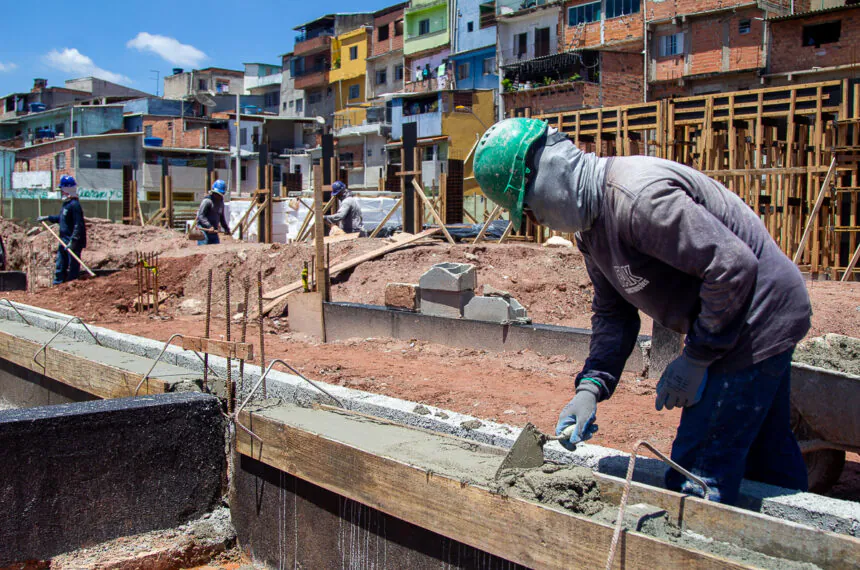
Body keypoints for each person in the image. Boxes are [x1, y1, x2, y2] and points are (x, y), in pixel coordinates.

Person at [474, 118, 812, 505]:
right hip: (738, 319)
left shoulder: (639, 199)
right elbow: (613, 314)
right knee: (767, 460)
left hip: (756, 317)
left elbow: (732, 268)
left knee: (698, 471)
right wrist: (590, 387)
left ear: (550, 174)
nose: (536, 221)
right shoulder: (591, 230)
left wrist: (697, 358)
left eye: (530, 208)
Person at [37, 175, 87, 285]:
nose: (61, 192)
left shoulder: (74, 205)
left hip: (72, 241)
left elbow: (78, 225)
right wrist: (47, 218)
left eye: (62, 190)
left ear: (67, 190)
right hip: (63, 240)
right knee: (61, 263)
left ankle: (72, 284)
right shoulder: (66, 205)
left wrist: (73, 241)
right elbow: (61, 219)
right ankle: (58, 284)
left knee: (73, 264)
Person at [196, 179, 230, 245]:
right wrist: (209, 226)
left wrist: (226, 228)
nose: (217, 196)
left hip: (213, 230)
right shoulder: (207, 201)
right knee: (204, 249)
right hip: (204, 230)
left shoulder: (220, 203)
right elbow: (201, 216)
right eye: (216, 194)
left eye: (219, 194)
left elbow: (221, 217)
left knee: (215, 249)